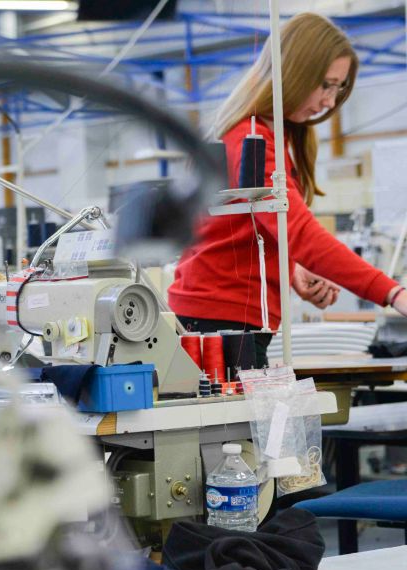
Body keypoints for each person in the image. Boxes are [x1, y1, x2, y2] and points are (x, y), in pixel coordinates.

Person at [168, 13, 407, 368]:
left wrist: (289, 271)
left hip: (225, 320)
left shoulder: (268, 135)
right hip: (218, 325)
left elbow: (248, 228)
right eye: (326, 85)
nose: (329, 101)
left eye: (338, 89)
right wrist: (392, 291)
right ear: (295, 72)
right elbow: (301, 232)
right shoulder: (249, 139)